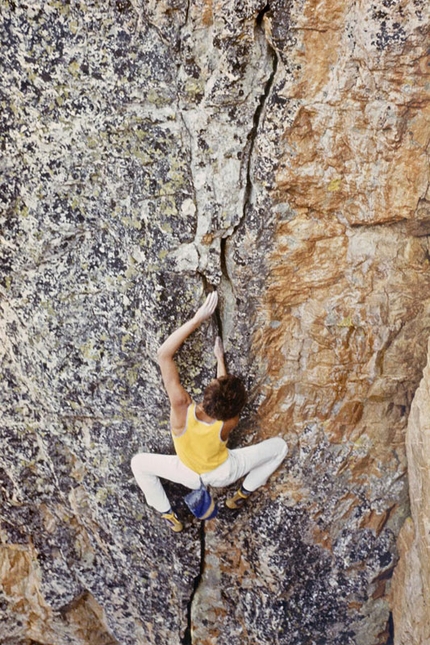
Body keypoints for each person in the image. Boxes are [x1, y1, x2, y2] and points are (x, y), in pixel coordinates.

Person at [131, 292, 288, 532]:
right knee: (280, 448)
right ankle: (242, 493)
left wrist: (196, 320)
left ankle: (167, 514)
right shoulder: (229, 422)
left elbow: (164, 355)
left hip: (187, 473)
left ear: (207, 393)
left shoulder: (181, 408)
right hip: (222, 473)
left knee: (139, 464)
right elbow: (223, 400)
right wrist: (220, 358)